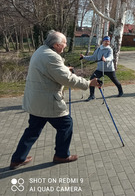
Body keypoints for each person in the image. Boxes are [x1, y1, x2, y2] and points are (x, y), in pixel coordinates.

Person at [10, 31, 99, 170]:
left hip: (36, 100)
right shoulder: (51, 56)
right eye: (63, 44)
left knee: (32, 130)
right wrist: (88, 83)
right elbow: (67, 79)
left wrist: (64, 68)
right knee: (66, 125)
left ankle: (17, 159)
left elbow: (51, 70)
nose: (65, 46)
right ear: (57, 44)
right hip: (48, 101)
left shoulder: (41, 50)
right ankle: (61, 155)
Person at [81, 36, 123, 101]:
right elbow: (93, 57)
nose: (107, 42)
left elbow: (111, 57)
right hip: (99, 69)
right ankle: (92, 95)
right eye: (106, 41)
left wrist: (105, 59)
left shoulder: (110, 49)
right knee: (92, 80)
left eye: (108, 41)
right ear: (103, 41)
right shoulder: (99, 49)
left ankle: (121, 91)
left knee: (115, 81)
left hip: (109, 69)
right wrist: (84, 57)